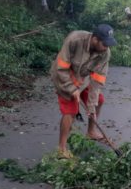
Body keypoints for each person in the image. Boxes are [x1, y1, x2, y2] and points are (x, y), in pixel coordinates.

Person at [50, 24, 117, 159]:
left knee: (99, 101)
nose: (106, 47)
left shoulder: (105, 53)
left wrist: (91, 107)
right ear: (95, 39)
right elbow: (61, 68)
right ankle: (61, 149)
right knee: (71, 110)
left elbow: (97, 80)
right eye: (104, 44)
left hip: (82, 79)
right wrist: (71, 89)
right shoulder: (75, 40)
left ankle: (91, 131)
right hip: (63, 77)